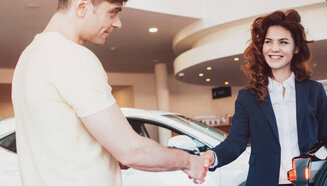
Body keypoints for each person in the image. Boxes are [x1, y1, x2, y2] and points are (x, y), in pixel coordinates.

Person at [11, 0, 208, 185]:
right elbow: (132, 150)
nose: (118, 23)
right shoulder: (71, 56)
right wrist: (190, 161)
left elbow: (59, 143)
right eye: (113, 12)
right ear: (82, 6)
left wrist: (107, 158)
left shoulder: (28, 57)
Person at [197, 9, 327, 186]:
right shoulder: (247, 97)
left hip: (309, 182)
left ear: (296, 48)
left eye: (283, 42)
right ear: (262, 47)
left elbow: (326, 139)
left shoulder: (314, 91)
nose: (274, 48)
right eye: (268, 42)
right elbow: (235, 142)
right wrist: (212, 156)